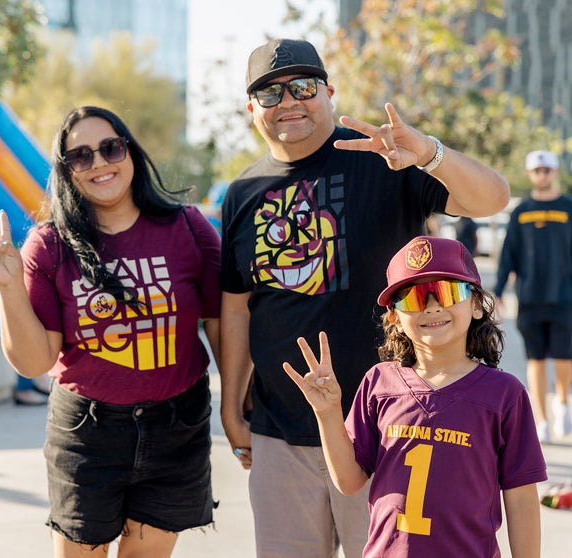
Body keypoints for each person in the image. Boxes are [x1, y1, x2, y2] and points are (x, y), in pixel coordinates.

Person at [220, 38, 510, 557]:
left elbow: (492, 198)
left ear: (329, 92)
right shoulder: (242, 192)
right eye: (270, 93)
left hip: (387, 427)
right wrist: (229, 406)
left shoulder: (384, 161)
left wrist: (430, 154)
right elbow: (238, 305)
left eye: (303, 86)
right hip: (281, 431)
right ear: (251, 109)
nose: (288, 101)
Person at [0, 106, 221, 557]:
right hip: (88, 434)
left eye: (110, 148)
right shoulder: (49, 245)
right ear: (66, 172)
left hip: (176, 426)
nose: (100, 163)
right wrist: (7, 283)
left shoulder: (187, 227)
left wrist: (240, 410)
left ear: (130, 151)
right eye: (81, 156)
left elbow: (225, 321)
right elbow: (33, 362)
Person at [284, 235, 547, 557]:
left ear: (477, 305)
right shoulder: (379, 382)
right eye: (414, 297)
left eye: (449, 292)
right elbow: (349, 481)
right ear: (394, 316)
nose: (432, 306)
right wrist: (327, 413)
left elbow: (520, 497)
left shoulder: (504, 394)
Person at [494, 150, 572, 444]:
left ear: (555, 173)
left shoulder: (568, 208)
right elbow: (507, 255)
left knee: (565, 357)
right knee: (536, 360)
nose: (542, 175)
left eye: (547, 170)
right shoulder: (522, 211)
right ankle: (541, 420)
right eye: (537, 170)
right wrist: (499, 289)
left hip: (565, 297)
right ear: (530, 174)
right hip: (530, 298)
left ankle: (562, 402)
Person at [0, 217, 48, 405]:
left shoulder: (3, 254)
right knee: (14, 334)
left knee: (24, 326)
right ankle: (25, 390)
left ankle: (35, 381)